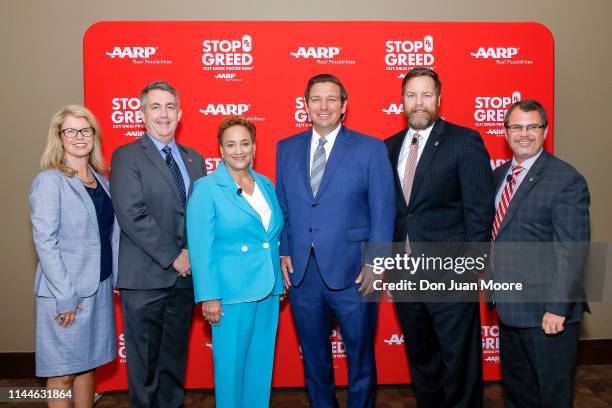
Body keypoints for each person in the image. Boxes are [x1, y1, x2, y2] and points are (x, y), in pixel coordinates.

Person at [276, 73, 396, 407]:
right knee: (314, 360)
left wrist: (377, 262)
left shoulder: (370, 148)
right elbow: (283, 208)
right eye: (316, 99)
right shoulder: (285, 148)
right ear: (306, 105)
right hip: (303, 275)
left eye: (332, 99)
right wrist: (285, 250)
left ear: (344, 105)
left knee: (360, 359)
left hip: (356, 273)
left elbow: (383, 210)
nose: (324, 106)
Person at [385, 67, 495, 408]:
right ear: (402, 100)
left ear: (439, 98)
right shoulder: (389, 147)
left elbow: (480, 208)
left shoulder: (464, 141)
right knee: (422, 360)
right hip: (404, 274)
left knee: (459, 363)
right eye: (411, 95)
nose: (419, 103)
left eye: (426, 95)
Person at [110, 81, 206, 407]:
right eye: (155, 107)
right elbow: (131, 215)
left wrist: (192, 254)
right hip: (146, 280)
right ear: (142, 114)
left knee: (173, 365)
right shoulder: (126, 156)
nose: (163, 114)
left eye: (169, 107)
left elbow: (199, 215)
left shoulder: (195, 159)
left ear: (180, 113)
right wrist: (172, 256)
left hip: (184, 281)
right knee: (144, 369)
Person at [491, 99, 590, 407]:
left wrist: (558, 308)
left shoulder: (565, 179)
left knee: (552, 397)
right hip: (509, 308)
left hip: (547, 313)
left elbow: (571, 249)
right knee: (519, 394)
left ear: (545, 131)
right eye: (516, 127)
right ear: (506, 132)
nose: (524, 134)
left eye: (532, 126)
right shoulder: (499, 176)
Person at [186, 117, 284, 407]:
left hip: (268, 291)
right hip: (230, 295)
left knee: (260, 369)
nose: (239, 150)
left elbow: (271, 237)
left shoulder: (265, 184)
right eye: (231, 144)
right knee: (230, 373)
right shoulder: (207, 188)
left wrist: (278, 282)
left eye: (245, 143)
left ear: (254, 147)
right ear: (221, 149)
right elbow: (201, 247)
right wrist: (210, 296)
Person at [30, 104, 119, 407]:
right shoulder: (50, 181)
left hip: (100, 287)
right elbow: (45, 242)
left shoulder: (102, 181)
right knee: (62, 373)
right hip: (66, 293)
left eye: (85, 130)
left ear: (94, 135)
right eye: (71, 131)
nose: (79, 137)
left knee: (88, 365)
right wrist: (66, 296)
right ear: (59, 137)